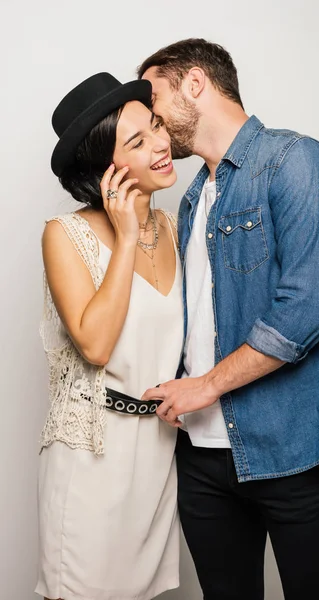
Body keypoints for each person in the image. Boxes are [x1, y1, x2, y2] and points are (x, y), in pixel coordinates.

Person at [138, 39, 319, 600]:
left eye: (156, 103)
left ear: (195, 83)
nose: (154, 126)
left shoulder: (296, 160)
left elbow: (304, 312)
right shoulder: (194, 194)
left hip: (297, 451)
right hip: (202, 461)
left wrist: (203, 387)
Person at [35, 72, 183, 600]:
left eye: (157, 128)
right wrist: (123, 239)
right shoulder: (65, 235)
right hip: (92, 461)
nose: (162, 145)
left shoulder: (171, 227)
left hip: (158, 459)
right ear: (105, 168)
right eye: (138, 142)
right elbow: (95, 345)